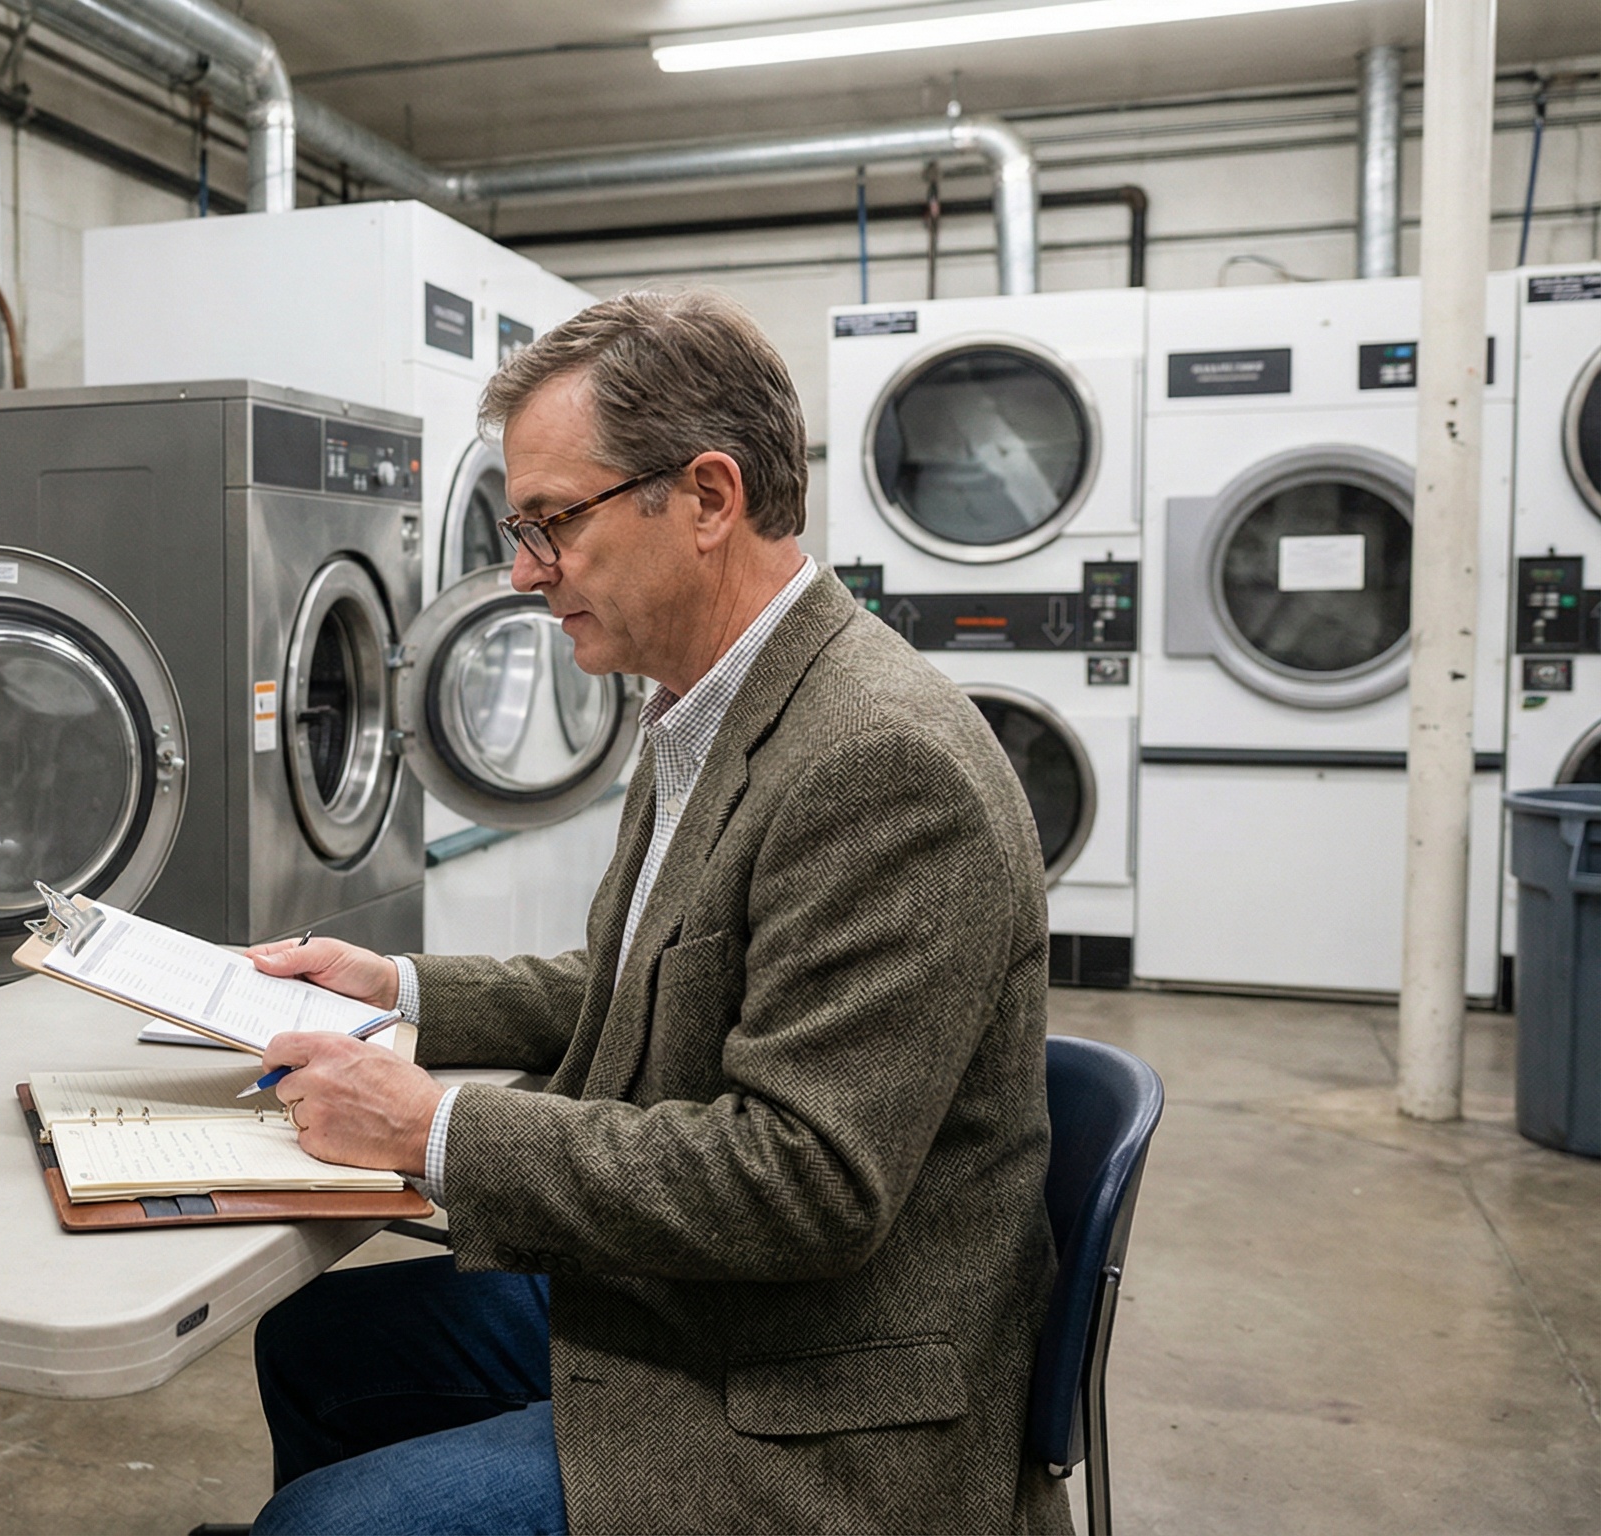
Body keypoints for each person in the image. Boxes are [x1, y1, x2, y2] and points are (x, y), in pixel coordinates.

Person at [240, 289, 1072, 1535]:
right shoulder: (708, 704)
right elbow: (646, 976)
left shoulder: (879, 762)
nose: (524, 573)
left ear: (706, 498)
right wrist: (395, 990)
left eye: (551, 524)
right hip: (715, 1313)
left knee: (333, 1526)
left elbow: (804, 1180)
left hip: (815, 1397)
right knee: (321, 1342)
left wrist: (436, 1130)